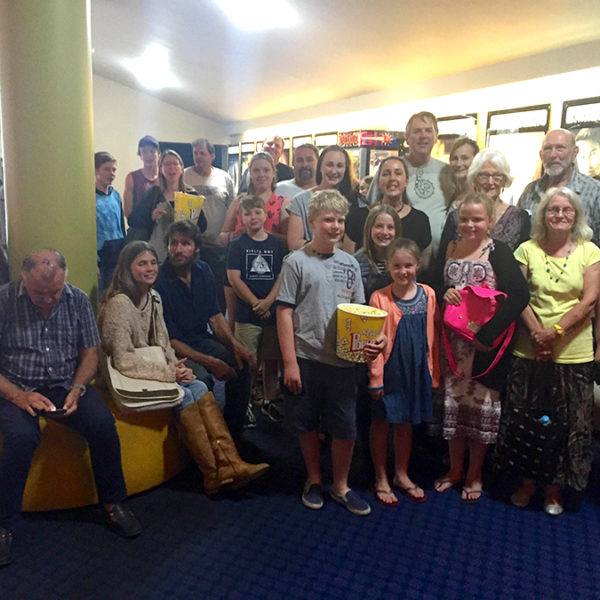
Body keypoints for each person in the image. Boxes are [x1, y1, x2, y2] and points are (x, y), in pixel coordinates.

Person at [0, 249, 142, 566]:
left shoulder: (76, 299)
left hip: (65, 383)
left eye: (55, 292)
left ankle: (113, 503)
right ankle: (3, 523)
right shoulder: (4, 300)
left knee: (102, 424)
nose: (49, 300)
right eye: (39, 293)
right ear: (23, 279)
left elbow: (90, 354)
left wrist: (78, 388)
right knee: (21, 439)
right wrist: (19, 396)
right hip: (17, 385)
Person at [98, 241, 269, 495]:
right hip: (126, 374)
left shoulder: (153, 297)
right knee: (186, 395)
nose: (150, 268)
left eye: (153, 262)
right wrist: (169, 373)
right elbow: (122, 359)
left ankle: (230, 464)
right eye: (142, 263)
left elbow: (164, 343)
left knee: (197, 385)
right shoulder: (119, 304)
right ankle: (212, 472)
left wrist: (178, 367)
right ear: (127, 268)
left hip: (154, 367)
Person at [277, 189, 385, 516]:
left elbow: (361, 312)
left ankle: (340, 485)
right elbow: (284, 312)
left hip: (344, 362)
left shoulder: (351, 263)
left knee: (345, 426)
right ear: (312, 222)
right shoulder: (295, 262)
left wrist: (376, 341)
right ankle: (313, 478)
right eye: (328, 219)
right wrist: (290, 363)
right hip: (307, 357)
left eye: (340, 220)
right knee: (307, 421)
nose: (335, 226)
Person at [495, 187, 600, 516]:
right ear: (542, 215)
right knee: (526, 418)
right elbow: (516, 294)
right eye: (553, 209)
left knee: (567, 423)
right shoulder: (526, 249)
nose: (559, 215)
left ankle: (555, 488)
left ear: (576, 215)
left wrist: (553, 334)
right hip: (529, 348)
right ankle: (528, 482)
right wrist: (537, 336)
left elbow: (590, 301)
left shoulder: (590, 251)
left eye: (566, 209)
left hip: (573, 352)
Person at [433, 193, 529, 503]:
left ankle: (474, 474)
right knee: (454, 406)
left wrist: (488, 335)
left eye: (477, 219)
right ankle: (455, 470)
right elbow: (433, 282)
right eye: (464, 219)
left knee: (480, 409)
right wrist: (446, 291)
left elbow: (519, 294)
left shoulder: (499, 251)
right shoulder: (450, 246)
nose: (470, 225)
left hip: (484, 346)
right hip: (451, 345)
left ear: (489, 221)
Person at [154, 220, 255, 446]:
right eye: (173, 243)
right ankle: (200, 445)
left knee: (242, 362)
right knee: (201, 378)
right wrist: (210, 362)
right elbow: (170, 340)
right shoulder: (159, 281)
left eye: (185, 243)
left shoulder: (203, 271)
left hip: (199, 340)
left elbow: (215, 318)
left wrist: (237, 346)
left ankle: (232, 434)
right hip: (172, 350)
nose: (178, 249)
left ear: (196, 248)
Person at [368, 239, 440, 505]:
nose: (403, 271)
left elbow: (434, 338)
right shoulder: (379, 297)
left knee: (406, 422)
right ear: (388, 266)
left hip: (416, 368)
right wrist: (375, 378)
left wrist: (434, 373)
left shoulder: (428, 294)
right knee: (381, 422)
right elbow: (373, 342)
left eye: (408, 265)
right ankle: (381, 477)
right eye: (397, 266)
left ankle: (401, 473)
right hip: (390, 370)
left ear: (418, 265)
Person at [227, 196, 285, 422]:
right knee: (247, 360)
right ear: (241, 217)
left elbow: (280, 276)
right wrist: (255, 303)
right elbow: (234, 279)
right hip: (246, 314)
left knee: (271, 360)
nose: (253, 217)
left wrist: (269, 301)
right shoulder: (237, 245)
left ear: (265, 214)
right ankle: (246, 402)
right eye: (248, 213)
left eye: (257, 212)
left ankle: (270, 400)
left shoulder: (276, 244)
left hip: (271, 313)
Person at [367, 112, 446, 254]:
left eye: (428, 130)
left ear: (436, 137)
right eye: (417, 131)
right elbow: (372, 208)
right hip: (393, 255)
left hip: (435, 255)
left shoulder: (447, 172)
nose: (423, 136)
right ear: (407, 138)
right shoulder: (389, 169)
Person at [518, 128, 600, 247]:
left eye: (560, 148)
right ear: (541, 155)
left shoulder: (595, 191)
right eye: (548, 149)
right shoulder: (530, 192)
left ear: (575, 153)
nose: (553, 155)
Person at [439, 149, 530, 254]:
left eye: (497, 176)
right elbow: (443, 258)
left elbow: (524, 258)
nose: (490, 182)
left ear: (504, 180)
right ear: (474, 178)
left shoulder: (520, 217)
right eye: (484, 176)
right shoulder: (456, 217)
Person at [183, 138, 235, 311]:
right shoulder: (184, 175)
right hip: (193, 245)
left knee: (218, 288)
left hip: (218, 245)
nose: (198, 157)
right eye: (195, 153)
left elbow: (232, 208)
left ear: (212, 155)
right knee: (195, 287)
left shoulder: (224, 177)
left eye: (202, 153)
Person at [127, 149, 205, 263]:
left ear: (182, 168)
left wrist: (197, 213)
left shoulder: (192, 194)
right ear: (161, 168)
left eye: (175, 164)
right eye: (167, 164)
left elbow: (203, 227)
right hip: (158, 254)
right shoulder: (153, 194)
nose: (171, 167)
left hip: (185, 255)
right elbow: (133, 220)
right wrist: (151, 217)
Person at [287, 145, 356, 250]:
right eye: (329, 165)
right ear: (320, 167)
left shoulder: (355, 201)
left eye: (339, 166)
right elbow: (294, 243)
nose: (334, 171)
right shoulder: (300, 200)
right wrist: (330, 246)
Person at [374, 156, 433, 271]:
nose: (392, 178)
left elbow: (424, 267)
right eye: (386, 174)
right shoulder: (361, 216)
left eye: (398, 173)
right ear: (378, 181)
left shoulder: (420, 220)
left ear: (406, 181)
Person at [219, 152, 288, 246]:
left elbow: (289, 240)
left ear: (273, 173)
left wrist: (263, 235)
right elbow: (222, 237)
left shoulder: (283, 203)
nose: (261, 174)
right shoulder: (239, 201)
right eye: (256, 170)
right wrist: (236, 235)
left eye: (266, 170)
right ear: (250, 174)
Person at [354, 205, 402, 302]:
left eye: (390, 227)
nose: (385, 232)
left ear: (396, 231)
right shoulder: (356, 262)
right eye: (379, 226)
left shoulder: (404, 261)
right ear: (369, 229)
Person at [95, 152, 126, 297]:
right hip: (101, 255)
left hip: (117, 253)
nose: (111, 173)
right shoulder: (90, 197)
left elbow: (121, 225)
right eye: (107, 169)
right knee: (102, 296)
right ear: (96, 170)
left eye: (113, 169)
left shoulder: (116, 195)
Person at [123, 135, 160, 217]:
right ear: (140, 155)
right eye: (144, 152)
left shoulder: (165, 176)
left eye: (152, 151)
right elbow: (127, 212)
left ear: (159, 154)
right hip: (139, 223)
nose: (149, 155)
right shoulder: (132, 178)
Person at [440, 137, 480, 211]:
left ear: (476, 160)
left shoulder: (482, 195)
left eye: (465, 158)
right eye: (455, 158)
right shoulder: (452, 194)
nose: (458, 164)